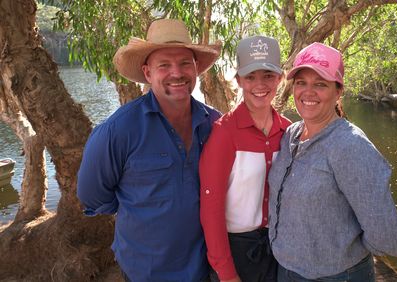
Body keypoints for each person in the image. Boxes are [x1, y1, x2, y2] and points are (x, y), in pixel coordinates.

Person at [77, 19, 222, 281]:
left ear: (197, 68)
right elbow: (93, 195)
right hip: (145, 270)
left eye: (185, 63)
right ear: (147, 73)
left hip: (205, 268)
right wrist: (141, 214)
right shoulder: (118, 131)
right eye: (164, 65)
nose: (176, 73)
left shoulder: (215, 125)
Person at [268, 42, 397, 282]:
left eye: (320, 84)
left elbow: (388, 239)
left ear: (338, 91)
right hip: (287, 270)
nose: (308, 92)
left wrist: (340, 251)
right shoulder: (291, 133)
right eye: (301, 82)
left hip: (336, 276)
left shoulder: (350, 146)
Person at [199, 36, 291, 282]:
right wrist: (227, 274)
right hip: (236, 252)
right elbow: (211, 210)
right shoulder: (224, 133)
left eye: (268, 75)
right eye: (250, 77)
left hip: (277, 249)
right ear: (239, 80)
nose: (259, 84)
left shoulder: (288, 131)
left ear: (280, 78)